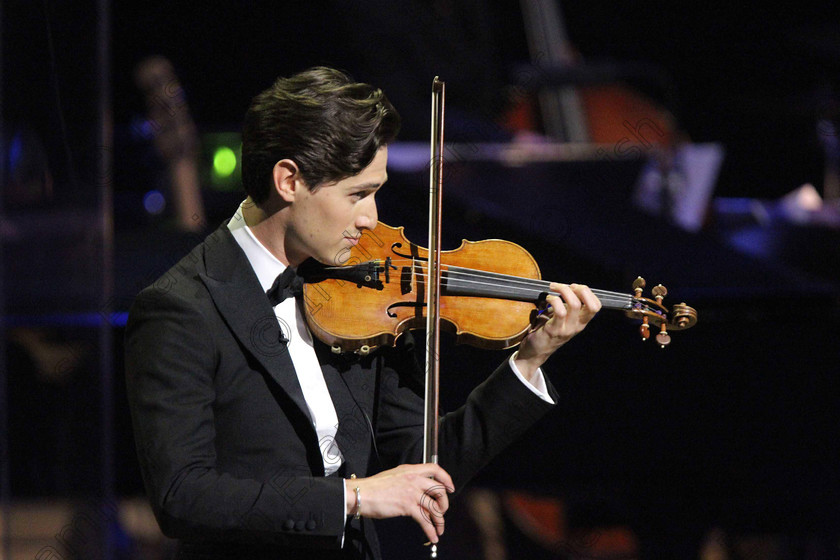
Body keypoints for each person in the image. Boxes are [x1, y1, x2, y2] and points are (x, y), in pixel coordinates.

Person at [124, 66, 601, 560]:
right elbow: (183, 495)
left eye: (376, 191)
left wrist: (528, 362)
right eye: (357, 194)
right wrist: (353, 497)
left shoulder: (366, 294)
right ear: (289, 180)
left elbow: (423, 463)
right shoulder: (180, 309)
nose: (371, 218)